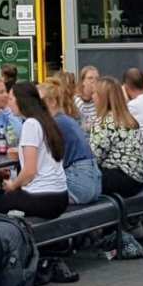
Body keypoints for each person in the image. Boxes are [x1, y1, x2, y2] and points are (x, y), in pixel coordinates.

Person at [0, 81, 68, 218]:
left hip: (41, 197)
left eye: (11, 98)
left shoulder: (30, 124)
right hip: (61, 196)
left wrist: (12, 186)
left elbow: (30, 172)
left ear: (22, 100)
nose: (8, 103)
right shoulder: (47, 120)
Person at [40, 77, 101, 205]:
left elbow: (45, 162)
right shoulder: (67, 120)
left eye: (39, 101)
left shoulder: (56, 124)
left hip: (78, 184)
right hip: (93, 183)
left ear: (51, 102)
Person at [88, 76, 143, 198]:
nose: (92, 96)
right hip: (139, 179)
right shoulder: (127, 118)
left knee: (81, 177)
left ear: (103, 97)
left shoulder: (104, 122)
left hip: (122, 180)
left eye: (95, 93)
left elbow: (94, 157)